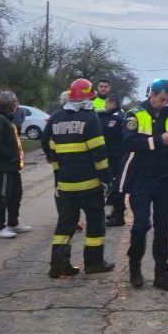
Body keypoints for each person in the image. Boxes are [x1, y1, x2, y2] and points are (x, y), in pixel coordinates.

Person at [42, 78, 115, 278]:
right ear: (88, 98)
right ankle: (93, 263)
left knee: (65, 225)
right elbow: (99, 154)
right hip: (89, 186)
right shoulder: (90, 120)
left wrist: (58, 178)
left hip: (65, 185)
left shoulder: (57, 119)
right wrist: (107, 179)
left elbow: (53, 153)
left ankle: (58, 266)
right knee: (95, 222)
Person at [120, 79, 168, 291]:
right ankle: (135, 266)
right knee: (141, 225)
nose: (164, 103)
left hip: (164, 178)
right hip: (141, 178)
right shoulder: (135, 114)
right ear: (152, 94)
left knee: (162, 229)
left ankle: (161, 274)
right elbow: (129, 143)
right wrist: (159, 141)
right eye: (162, 99)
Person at [0, 91, 30, 239]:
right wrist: (9, 156)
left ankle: (13, 223)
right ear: (8, 103)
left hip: (13, 166)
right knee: (2, 196)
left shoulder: (7, 118)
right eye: (15, 101)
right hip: (4, 166)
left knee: (15, 194)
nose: (17, 104)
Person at [43, 90, 84, 233]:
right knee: (77, 190)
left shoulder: (55, 116)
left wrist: (49, 155)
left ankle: (66, 218)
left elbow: (45, 138)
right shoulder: (82, 115)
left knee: (60, 190)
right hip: (79, 162)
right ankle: (73, 219)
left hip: (59, 162)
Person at [100, 94, 127, 227]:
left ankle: (119, 216)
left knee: (117, 188)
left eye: (106, 103)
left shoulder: (116, 117)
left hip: (117, 158)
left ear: (112, 103)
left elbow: (107, 131)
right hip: (115, 156)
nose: (105, 106)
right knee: (115, 187)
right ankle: (116, 211)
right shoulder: (116, 115)